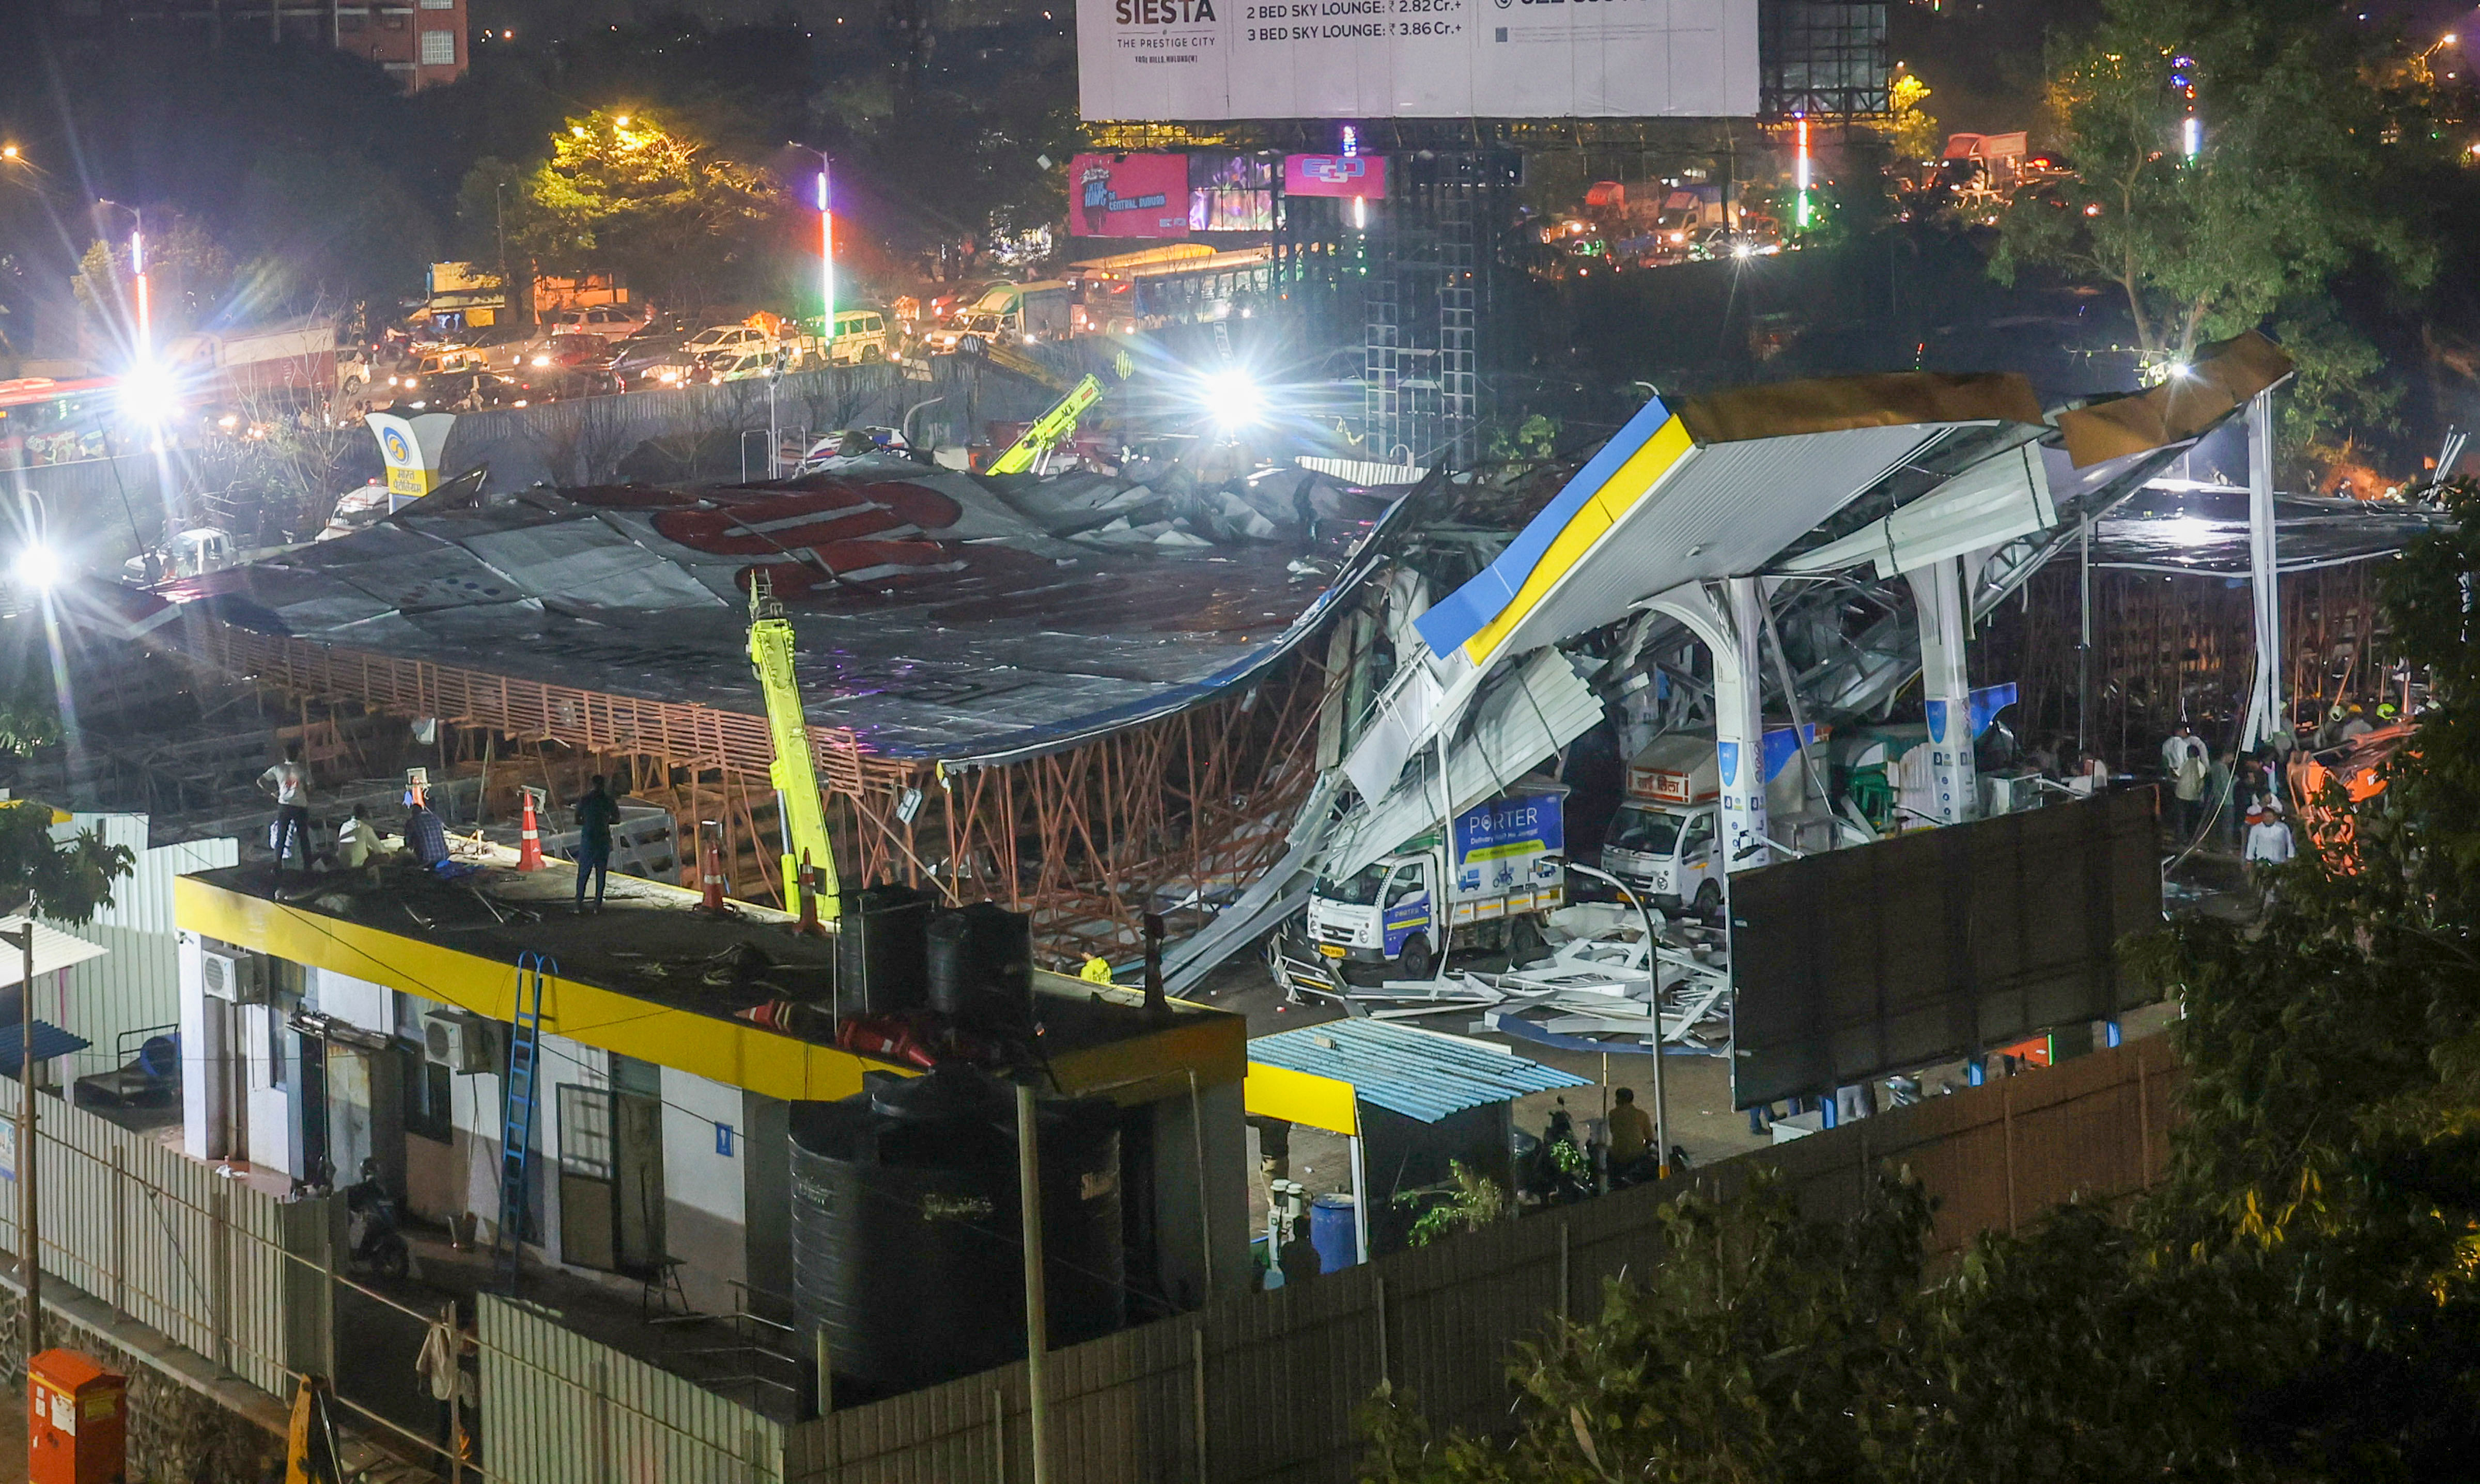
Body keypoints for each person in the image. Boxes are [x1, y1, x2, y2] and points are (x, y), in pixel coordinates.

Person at [258, 742, 313, 874]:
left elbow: (260, 781)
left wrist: (273, 792)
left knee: (281, 836)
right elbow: (311, 787)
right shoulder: (303, 769)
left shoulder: (278, 769)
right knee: (303, 837)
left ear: (285, 755)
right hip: (300, 805)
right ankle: (308, 867)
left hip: (284, 805)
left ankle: (277, 865)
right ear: (298, 754)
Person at [571, 775, 622, 913]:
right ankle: (597, 905)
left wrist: (588, 822)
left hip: (588, 838)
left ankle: (578, 904)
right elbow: (617, 819)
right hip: (603, 838)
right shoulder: (609, 801)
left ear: (591, 785)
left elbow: (576, 820)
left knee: (583, 872)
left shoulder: (585, 800)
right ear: (604, 785)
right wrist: (604, 821)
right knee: (601, 872)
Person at [2245, 806, 2297, 893]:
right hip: (2263, 861)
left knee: (2280, 885)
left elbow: (2289, 843)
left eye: (2270, 816)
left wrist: (2291, 857)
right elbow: (2251, 845)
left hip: (2279, 861)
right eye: (2265, 817)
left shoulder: (2283, 828)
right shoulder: (2256, 829)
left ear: (2275, 817)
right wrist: (2249, 860)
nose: (2267, 819)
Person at [1606, 1086, 1654, 1174]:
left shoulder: (1612, 1114)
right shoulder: (1642, 1115)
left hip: (1618, 1155)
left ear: (1618, 1100)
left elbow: (1612, 1131)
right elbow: (1650, 1139)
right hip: (1637, 1154)